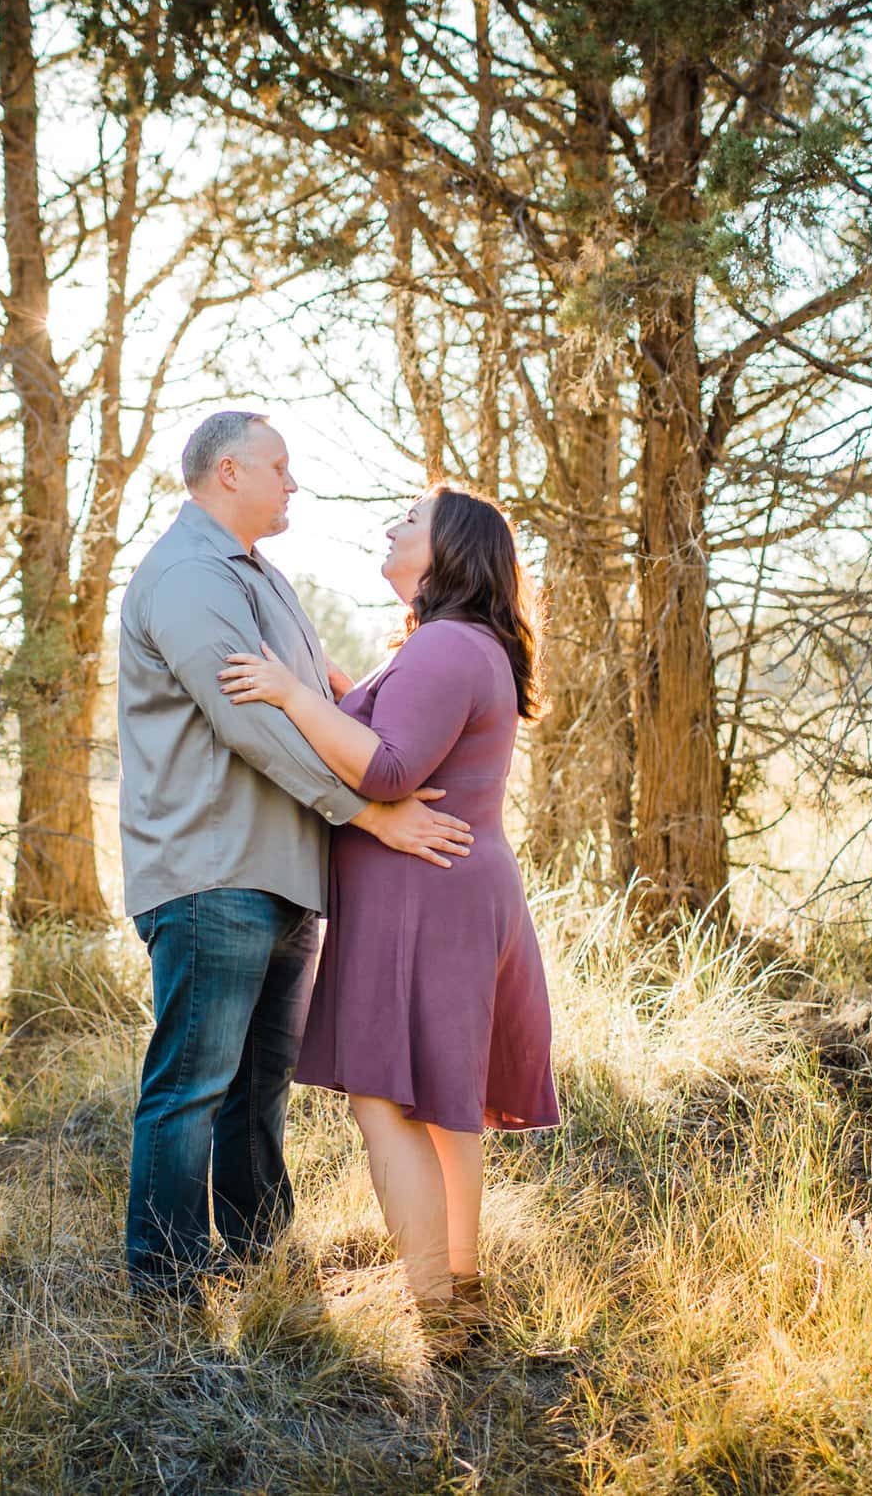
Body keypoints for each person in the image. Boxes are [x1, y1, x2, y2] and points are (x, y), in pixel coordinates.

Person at [116, 410, 475, 1301]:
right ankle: (165, 1291)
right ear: (229, 472)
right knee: (193, 1087)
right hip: (212, 872)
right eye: (281, 468)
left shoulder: (259, 577)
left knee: (256, 1091)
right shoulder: (190, 576)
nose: (294, 483)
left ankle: (259, 1265)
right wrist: (368, 813)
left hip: (279, 874)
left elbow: (316, 700)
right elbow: (253, 724)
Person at [218, 484, 560, 1351]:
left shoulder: (447, 645)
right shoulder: (457, 643)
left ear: (448, 550)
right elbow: (386, 723)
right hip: (442, 891)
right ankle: (460, 1290)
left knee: (386, 1102)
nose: (391, 526)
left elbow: (389, 768)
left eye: (409, 519)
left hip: (424, 898)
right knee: (444, 1101)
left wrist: (294, 697)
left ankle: (437, 1309)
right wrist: (333, 685)